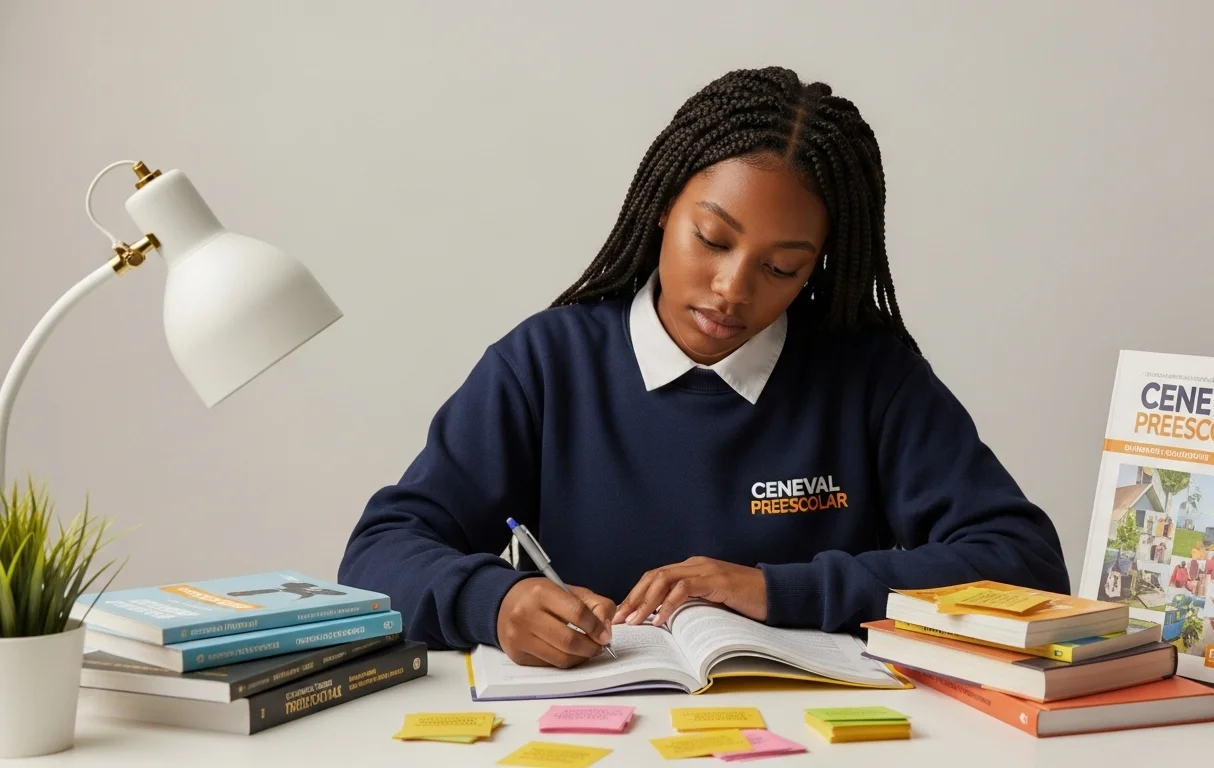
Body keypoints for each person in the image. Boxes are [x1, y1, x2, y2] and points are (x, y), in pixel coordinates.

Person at [337, 66, 1069, 670]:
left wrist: (776, 590)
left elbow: (1024, 564)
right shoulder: (546, 365)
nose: (733, 290)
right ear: (662, 208)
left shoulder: (870, 377)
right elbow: (378, 553)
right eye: (712, 239)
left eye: (783, 267)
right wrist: (494, 603)